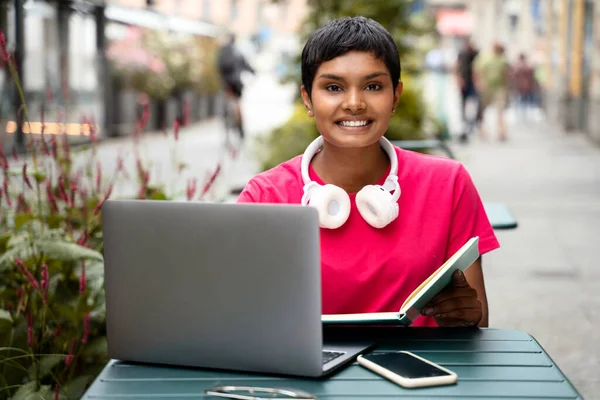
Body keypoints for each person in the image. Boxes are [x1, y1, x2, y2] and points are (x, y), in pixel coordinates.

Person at [236, 16, 500, 328]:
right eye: (333, 87)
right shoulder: (264, 197)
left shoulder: (449, 184)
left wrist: (466, 316)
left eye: (373, 86)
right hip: (306, 374)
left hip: (416, 373)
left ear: (395, 97)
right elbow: (242, 320)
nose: (354, 103)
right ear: (307, 98)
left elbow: (478, 323)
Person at [217, 33, 255, 139]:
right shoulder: (238, 51)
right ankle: (240, 127)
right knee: (238, 103)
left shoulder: (223, 51)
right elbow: (247, 65)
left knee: (228, 99)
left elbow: (219, 67)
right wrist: (253, 72)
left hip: (226, 83)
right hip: (237, 83)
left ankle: (227, 116)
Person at [473, 42, 510, 141]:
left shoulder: (501, 60)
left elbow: (505, 75)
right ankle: (484, 130)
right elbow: (478, 71)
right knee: (487, 110)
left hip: (497, 88)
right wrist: (479, 83)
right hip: (489, 87)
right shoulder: (486, 58)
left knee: (499, 110)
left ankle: (500, 131)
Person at [455, 37, 479, 142]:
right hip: (465, 81)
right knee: (463, 103)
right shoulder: (461, 53)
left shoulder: (475, 53)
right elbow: (457, 67)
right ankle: (464, 121)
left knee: (473, 103)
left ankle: (472, 122)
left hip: (472, 82)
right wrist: (459, 80)